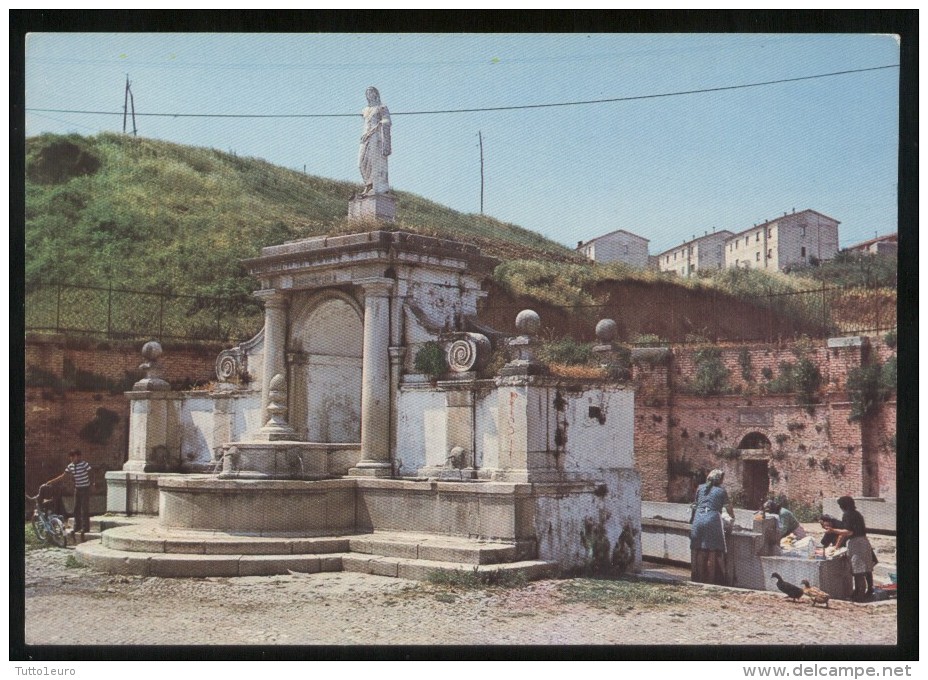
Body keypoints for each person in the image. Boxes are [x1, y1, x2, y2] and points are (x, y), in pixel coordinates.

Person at [690, 468, 735, 585]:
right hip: (712, 521)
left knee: (700, 549)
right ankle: (710, 581)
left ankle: (698, 579)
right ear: (719, 480)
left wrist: (693, 520)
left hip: (698, 520)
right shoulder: (721, 491)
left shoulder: (700, 488)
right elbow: (728, 508)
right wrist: (733, 517)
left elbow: (695, 505)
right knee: (712, 551)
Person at [832, 496, 876, 601]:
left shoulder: (847, 515)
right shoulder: (857, 514)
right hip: (864, 541)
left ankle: (859, 594)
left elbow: (848, 532)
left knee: (858, 570)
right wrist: (836, 546)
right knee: (866, 568)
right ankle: (868, 590)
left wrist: (832, 530)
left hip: (857, 543)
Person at [47, 448, 93, 543]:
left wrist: (92, 484)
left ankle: (85, 528)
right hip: (77, 489)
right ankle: (77, 526)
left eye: (73, 457)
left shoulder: (84, 464)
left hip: (85, 488)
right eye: (71, 457)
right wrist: (52, 481)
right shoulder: (70, 466)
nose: (72, 459)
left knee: (84, 508)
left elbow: (91, 473)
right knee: (76, 508)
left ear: (78, 456)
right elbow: (63, 476)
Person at [358, 86, 392, 196]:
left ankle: (373, 186)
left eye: (371, 92)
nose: (369, 94)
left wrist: (383, 123)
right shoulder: (365, 110)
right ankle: (367, 184)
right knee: (361, 163)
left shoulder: (381, 107)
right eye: (367, 93)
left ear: (376, 94)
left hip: (375, 136)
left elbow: (387, 120)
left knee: (374, 162)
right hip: (365, 137)